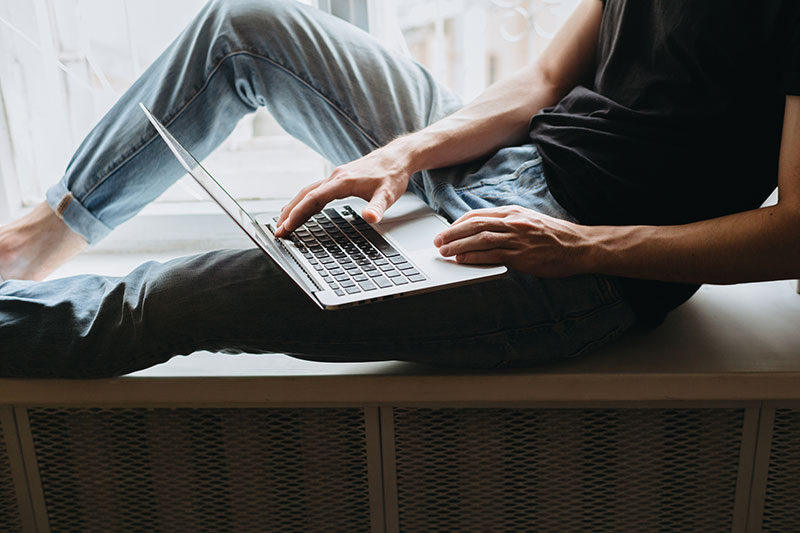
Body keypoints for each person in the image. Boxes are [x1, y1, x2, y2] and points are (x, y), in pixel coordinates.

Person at [0, 0, 798, 378]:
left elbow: (794, 230)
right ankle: (33, 241)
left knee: (169, 298)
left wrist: (580, 248)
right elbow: (544, 79)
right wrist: (403, 152)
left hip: (575, 260)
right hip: (513, 160)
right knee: (244, 24)